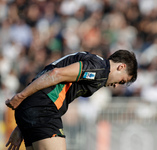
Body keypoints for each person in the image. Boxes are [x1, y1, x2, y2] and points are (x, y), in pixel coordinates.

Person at [5, 49, 138, 150]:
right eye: (121, 81)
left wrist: (21, 127)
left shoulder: (93, 63)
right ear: (121, 67)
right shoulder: (100, 68)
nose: (116, 85)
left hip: (36, 110)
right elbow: (55, 74)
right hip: (43, 108)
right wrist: (21, 96)